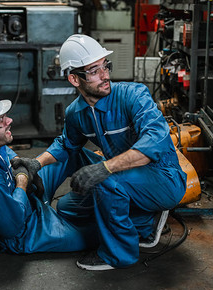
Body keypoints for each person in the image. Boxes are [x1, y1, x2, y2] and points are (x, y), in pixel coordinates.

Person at [17, 34, 187, 270]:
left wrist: (105, 168)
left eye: (105, 66)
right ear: (74, 79)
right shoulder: (76, 113)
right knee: (67, 207)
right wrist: (36, 163)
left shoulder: (134, 95)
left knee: (107, 181)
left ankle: (118, 255)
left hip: (164, 178)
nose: (105, 75)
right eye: (94, 71)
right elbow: (66, 145)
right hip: (126, 178)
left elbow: (152, 145)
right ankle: (141, 222)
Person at [0, 88, 97, 254]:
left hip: (26, 193)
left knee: (67, 154)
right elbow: (13, 226)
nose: (9, 120)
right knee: (98, 234)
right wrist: (22, 180)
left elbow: (7, 153)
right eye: (0, 120)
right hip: (26, 230)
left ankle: (119, 180)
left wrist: (21, 165)